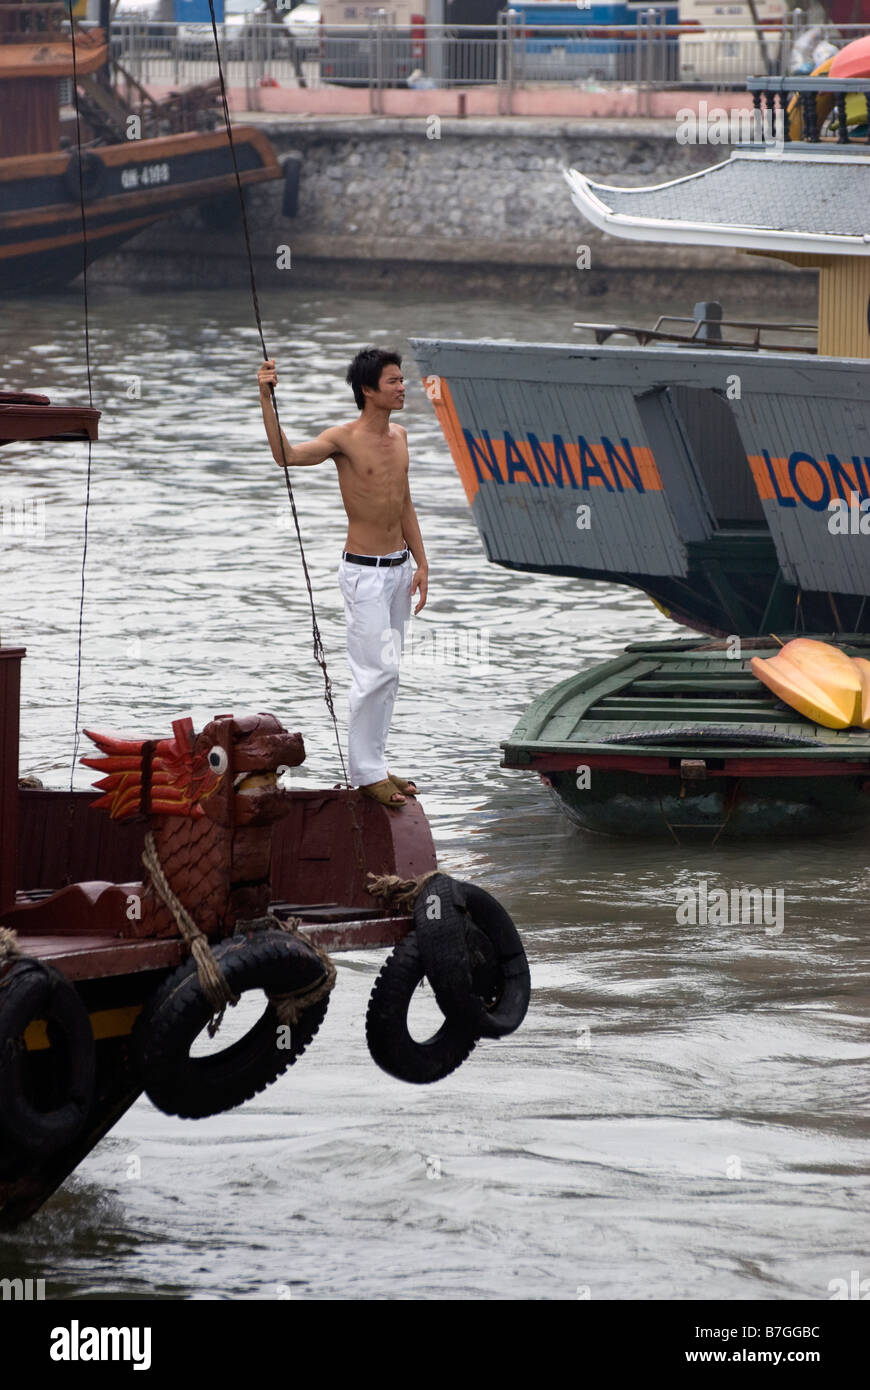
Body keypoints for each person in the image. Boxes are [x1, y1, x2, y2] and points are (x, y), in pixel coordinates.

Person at [257, 346, 428, 808]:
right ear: (368, 390)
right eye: (393, 381)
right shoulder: (343, 438)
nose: (401, 387)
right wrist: (266, 399)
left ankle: (374, 763)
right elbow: (286, 455)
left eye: (401, 380)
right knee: (375, 672)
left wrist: (423, 563)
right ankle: (366, 772)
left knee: (388, 675)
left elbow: (404, 502)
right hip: (364, 574)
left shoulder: (401, 436)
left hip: (399, 570)